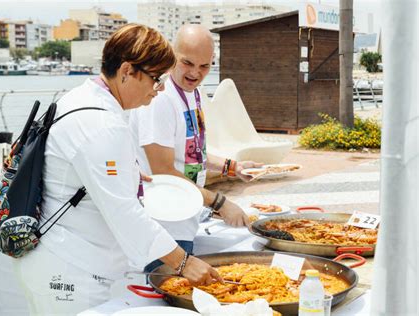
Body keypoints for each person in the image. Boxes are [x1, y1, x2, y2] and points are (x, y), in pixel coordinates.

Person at [13, 24, 221, 316]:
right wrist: (183, 262)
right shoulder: (100, 125)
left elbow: (86, 174)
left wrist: (129, 175)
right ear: (127, 71)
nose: (159, 89)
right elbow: (123, 212)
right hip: (69, 268)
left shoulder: (84, 99)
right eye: (155, 79)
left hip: (73, 259)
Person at [129, 25, 263, 272]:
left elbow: (192, 151)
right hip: (162, 227)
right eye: (187, 63)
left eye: (204, 66)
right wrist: (220, 203)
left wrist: (232, 167)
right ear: (172, 55)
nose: (195, 73)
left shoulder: (194, 92)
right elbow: (163, 170)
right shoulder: (159, 100)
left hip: (186, 221)